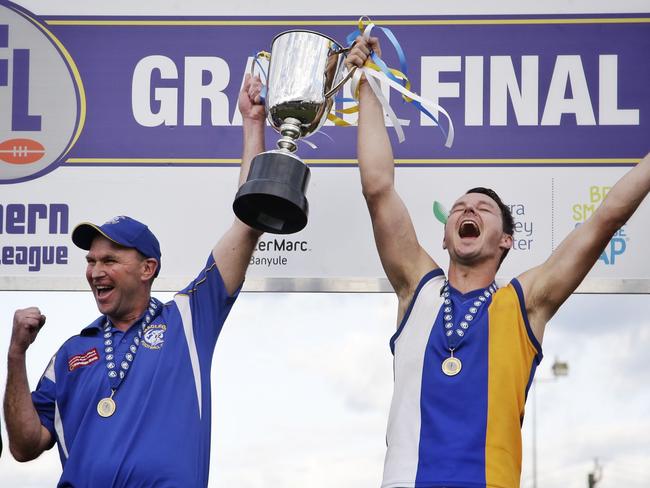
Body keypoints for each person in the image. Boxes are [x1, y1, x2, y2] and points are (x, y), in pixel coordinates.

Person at [347, 37, 650, 488]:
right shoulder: (417, 287)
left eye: (483, 209)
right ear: (446, 237)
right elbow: (378, 187)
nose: (468, 211)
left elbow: (605, 218)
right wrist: (367, 83)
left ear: (506, 239)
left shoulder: (525, 303)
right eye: (459, 208)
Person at [3, 74, 266, 487]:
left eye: (110, 259)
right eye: (91, 262)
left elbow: (248, 222)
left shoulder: (188, 320)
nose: (95, 272)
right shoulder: (71, 353)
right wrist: (16, 355)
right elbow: (25, 445)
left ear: (148, 269)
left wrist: (252, 125)